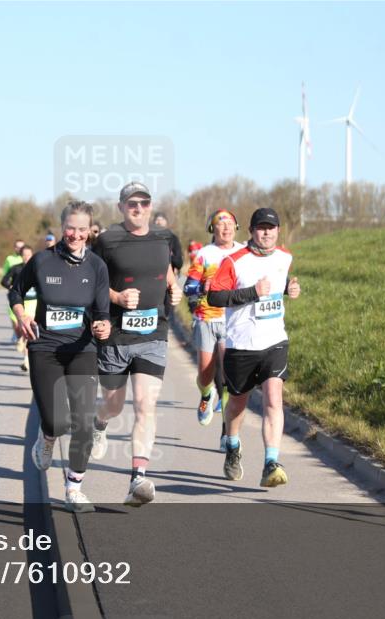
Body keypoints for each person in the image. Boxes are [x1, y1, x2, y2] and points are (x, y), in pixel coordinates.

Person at [10, 201, 110, 513]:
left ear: (90, 231)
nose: (76, 234)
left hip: (82, 349)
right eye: (71, 228)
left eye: (82, 229)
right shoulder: (41, 261)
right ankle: (47, 435)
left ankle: (74, 488)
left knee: (82, 422)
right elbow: (15, 292)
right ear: (62, 226)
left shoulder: (97, 267)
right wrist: (22, 317)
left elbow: (102, 312)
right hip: (45, 349)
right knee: (57, 419)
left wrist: (104, 326)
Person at [90, 182, 183, 506]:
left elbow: (168, 274)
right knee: (114, 406)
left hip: (153, 335)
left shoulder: (163, 240)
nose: (139, 208)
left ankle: (138, 478)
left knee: (146, 404)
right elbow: (91, 283)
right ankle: (98, 422)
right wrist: (116, 296)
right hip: (116, 336)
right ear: (121, 207)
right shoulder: (107, 240)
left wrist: (176, 290)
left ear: (150, 205)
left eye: (144, 202)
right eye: (132, 203)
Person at [207, 207, 301, 486]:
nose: (266, 232)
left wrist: (289, 289)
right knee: (238, 402)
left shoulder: (285, 257)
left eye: (271, 228)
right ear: (250, 231)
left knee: (274, 397)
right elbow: (214, 296)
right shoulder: (234, 261)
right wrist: (251, 293)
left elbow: (279, 283)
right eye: (261, 228)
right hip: (241, 345)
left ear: (278, 231)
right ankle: (233, 445)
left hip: (274, 341)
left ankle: (271, 462)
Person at [183, 210, 244, 429]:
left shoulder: (244, 252)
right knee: (206, 373)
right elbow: (188, 286)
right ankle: (206, 396)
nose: (226, 227)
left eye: (230, 223)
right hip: (206, 318)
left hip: (232, 320)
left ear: (236, 228)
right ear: (212, 229)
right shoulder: (204, 254)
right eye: (221, 223)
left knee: (228, 376)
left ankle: (226, 431)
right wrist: (202, 287)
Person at [0, 245, 35, 370]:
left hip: (32, 302)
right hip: (17, 303)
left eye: (29, 254)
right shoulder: (16, 269)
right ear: (21, 256)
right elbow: (4, 281)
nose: (26, 257)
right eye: (24, 255)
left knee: (27, 329)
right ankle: (20, 339)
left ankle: (26, 360)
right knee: (19, 329)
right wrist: (11, 288)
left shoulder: (36, 269)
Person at [2, 240, 26, 343]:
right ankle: (16, 331)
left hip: (27, 294)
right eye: (17, 247)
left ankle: (22, 337)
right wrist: (10, 286)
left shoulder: (27, 258)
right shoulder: (10, 259)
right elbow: (5, 275)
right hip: (14, 292)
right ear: (14, 248)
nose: (19, 249)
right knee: (14, 318)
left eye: (22, 247)